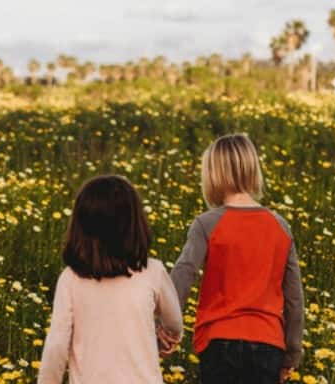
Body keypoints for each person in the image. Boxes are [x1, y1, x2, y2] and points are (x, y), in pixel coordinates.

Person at [169, 133, 304, 383]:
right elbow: (294, 299)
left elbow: (184, 273)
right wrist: (292, 354)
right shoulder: (280, 226)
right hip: (268, 344)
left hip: (218, 342)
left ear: (213, 175)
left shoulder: (206, 223)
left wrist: (166, 327)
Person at [38, 174, 183, 383]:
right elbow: (175, 321)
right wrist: (168, 336)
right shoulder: (153, 271)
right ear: (135, 224)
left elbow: (56, 345)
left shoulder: (71, 279)